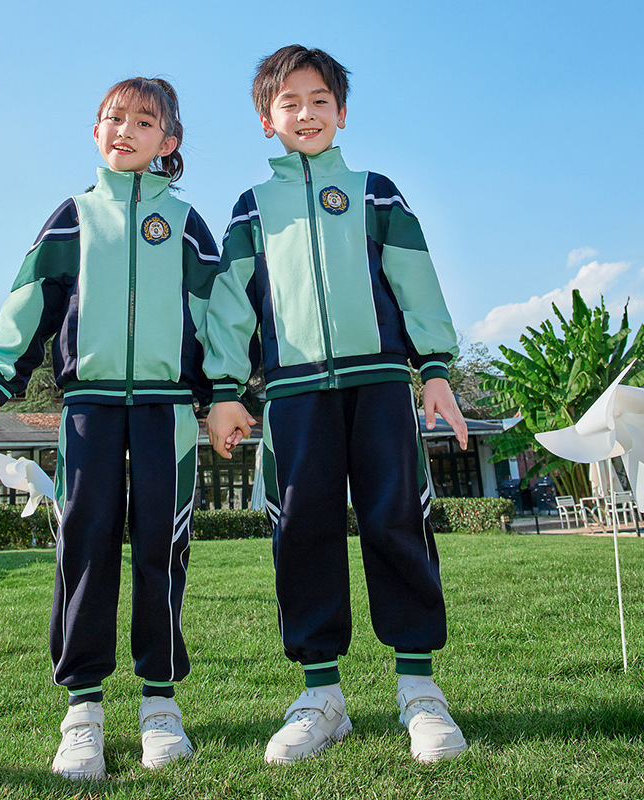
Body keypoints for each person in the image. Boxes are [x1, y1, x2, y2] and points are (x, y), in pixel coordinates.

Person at [203, 45, 469, 764]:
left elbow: (416, 281)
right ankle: (321, 696)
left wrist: (434, 369)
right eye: (289, 102)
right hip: (292, 395)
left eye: (320, 100)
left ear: (342, 112)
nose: (307, 113)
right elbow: (231, 306)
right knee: (303, 532)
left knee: (396, 521)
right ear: (267, 120)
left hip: (379, 385)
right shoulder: (251, 209)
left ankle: (420, 691)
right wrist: (224, 392)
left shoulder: (377, 194)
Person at [0, 77, 219, 779]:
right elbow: (29, 299)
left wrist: (222, 391)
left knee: (163, 546)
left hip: (168, 409)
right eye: (113, 117)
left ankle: (160, 703)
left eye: (143, 121)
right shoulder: (73, 216)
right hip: (88, 413)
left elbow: (219, 312)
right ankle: (83, 711)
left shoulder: (186, 223)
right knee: (85, 546)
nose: (125, 129)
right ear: (96, 131)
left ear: (168, 141)